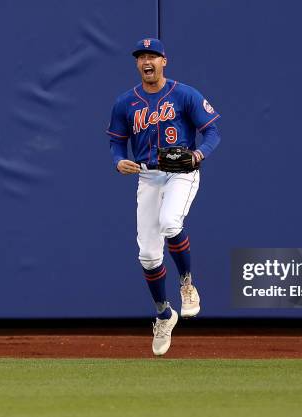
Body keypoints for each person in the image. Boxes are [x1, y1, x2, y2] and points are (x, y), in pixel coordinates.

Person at [106, 38, 221, 356]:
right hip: (147, 175)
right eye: (142, 56)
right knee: (148, 256)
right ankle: (163, 313)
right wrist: (118, 160)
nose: (147, 61)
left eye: (153, 56)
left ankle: (187, 283)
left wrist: (198, 155)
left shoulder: (184, 94)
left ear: (164, 61)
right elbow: (117, 141)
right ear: (137, 64)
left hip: (181, 172)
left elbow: (213, 131)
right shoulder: (125, 102)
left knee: (171, 222)